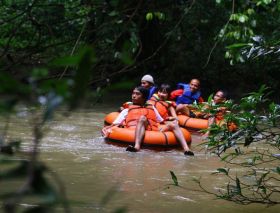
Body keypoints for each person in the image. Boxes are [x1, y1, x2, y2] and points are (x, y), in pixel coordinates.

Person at [102, 86, 193, 155]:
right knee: (142, 118)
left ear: (144, 97)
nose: (134, 96)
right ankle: (137, 146)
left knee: (173, 124)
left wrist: (172, 121)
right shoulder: (127, 110)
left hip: (154, 129)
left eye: (137, 94)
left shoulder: (151, 107)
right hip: (135, 129)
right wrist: (107, 129)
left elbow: (161, 120)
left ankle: (186, 149)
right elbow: (115, 124)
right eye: (133, 93)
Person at [148, 84, 194, 156]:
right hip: (149, 125)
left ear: (168, 95)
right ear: (157, 92)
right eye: (160, 92)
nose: (161, 94)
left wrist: (171, 118)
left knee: (174, 124)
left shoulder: (169, 105)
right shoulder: (150, 101)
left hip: (160, 127)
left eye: (164, 93)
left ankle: (186, 149)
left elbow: (176, 118)